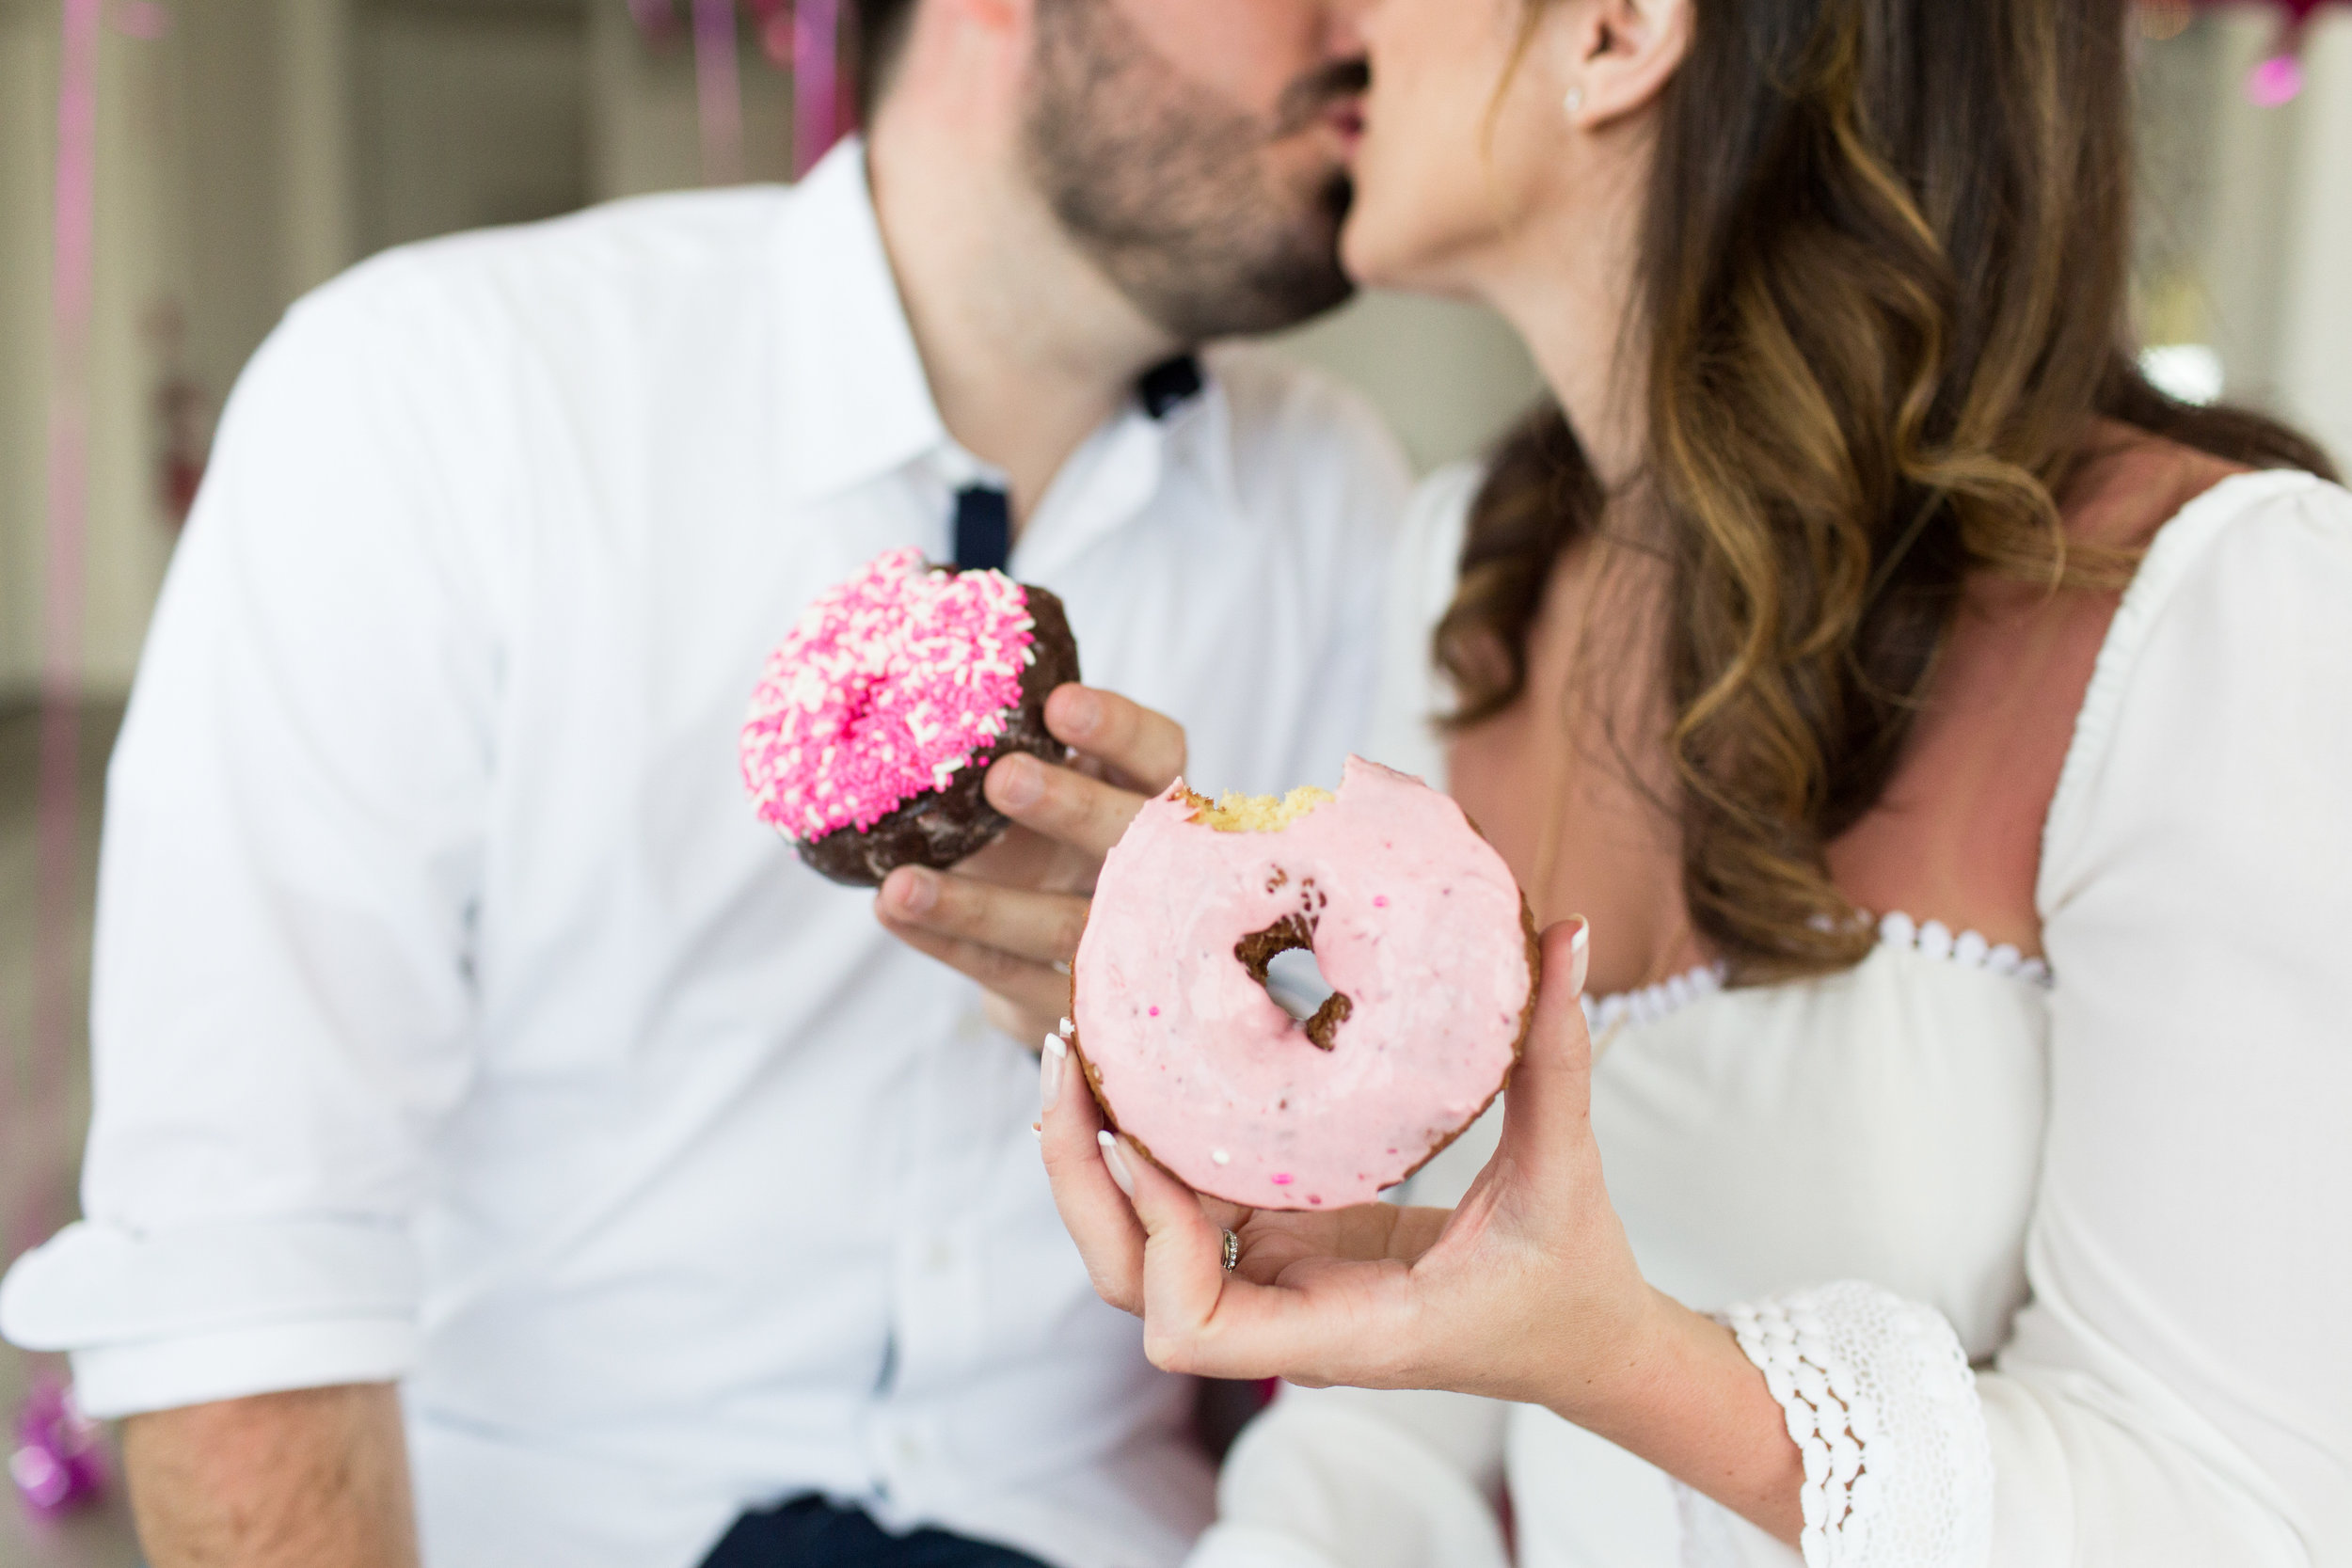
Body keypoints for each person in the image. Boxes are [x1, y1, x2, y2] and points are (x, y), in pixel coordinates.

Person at [903, 0, 2352, 1560]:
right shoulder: (1469, 578)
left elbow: (2236, 1514)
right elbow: (1380, 1459)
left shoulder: (2227, 610)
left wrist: (1627, 1363)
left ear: (1619, 28)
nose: (1334, 16)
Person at [0, 3, 1410, 1565]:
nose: (1381, 28)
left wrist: (1181, 1035)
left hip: (1095, 1523)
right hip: (544, 1518)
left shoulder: (1338, 499)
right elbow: (244, 1259)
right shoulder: (432, 399)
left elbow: (1367, 1183)